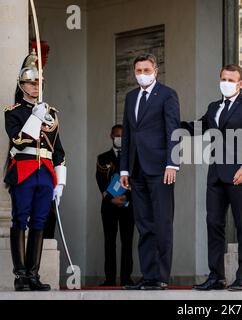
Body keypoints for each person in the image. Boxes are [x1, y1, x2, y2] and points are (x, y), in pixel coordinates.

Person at [182, 64, 242, 291]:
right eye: (223, 78)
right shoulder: (214, 107)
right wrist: (171, 125)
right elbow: (198, 126)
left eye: (231, 79)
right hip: (216, 175)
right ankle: (216, 276)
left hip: (240, 174)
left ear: (240, 83)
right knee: (214, 224)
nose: (226, 82)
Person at [4, 50, 66, 291]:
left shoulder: (52, 114)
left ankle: (33, 274)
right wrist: (34, 118)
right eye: (30, 82)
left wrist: (59, 182)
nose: (35, 86)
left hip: (45, 173)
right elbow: (18, 140)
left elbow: (59, 150)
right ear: (22, 85)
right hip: (24, 169)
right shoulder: (13, 112)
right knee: (21, 218)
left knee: (40, 220)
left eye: (38, 82)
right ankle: (20, 275)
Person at [119, 54, 180, 290]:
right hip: (135, 169)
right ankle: (148, 275)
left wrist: (172, 164)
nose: (142, 73)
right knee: (144, 224)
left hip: (160, 169)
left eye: (146, 69)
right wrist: (124, 168)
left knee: (162, 223)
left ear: (155, 69)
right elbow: (127, 134)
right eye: (138, 70)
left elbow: (173, 130)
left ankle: (161, 277)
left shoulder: (167, 94)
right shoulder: (131, 97)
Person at [96, 124, 134, 287]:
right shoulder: (102, 158)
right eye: (117, 135)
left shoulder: (133, 158)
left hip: (128, 205)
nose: (119, 139)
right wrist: (111, 198)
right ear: (111, 136)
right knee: (109, 242)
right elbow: (100, 180)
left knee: (127, 242)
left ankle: (126, 278)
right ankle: (110, 279)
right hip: (109, 206)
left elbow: (136, 180)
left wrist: (126, 197)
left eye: (122, 136)